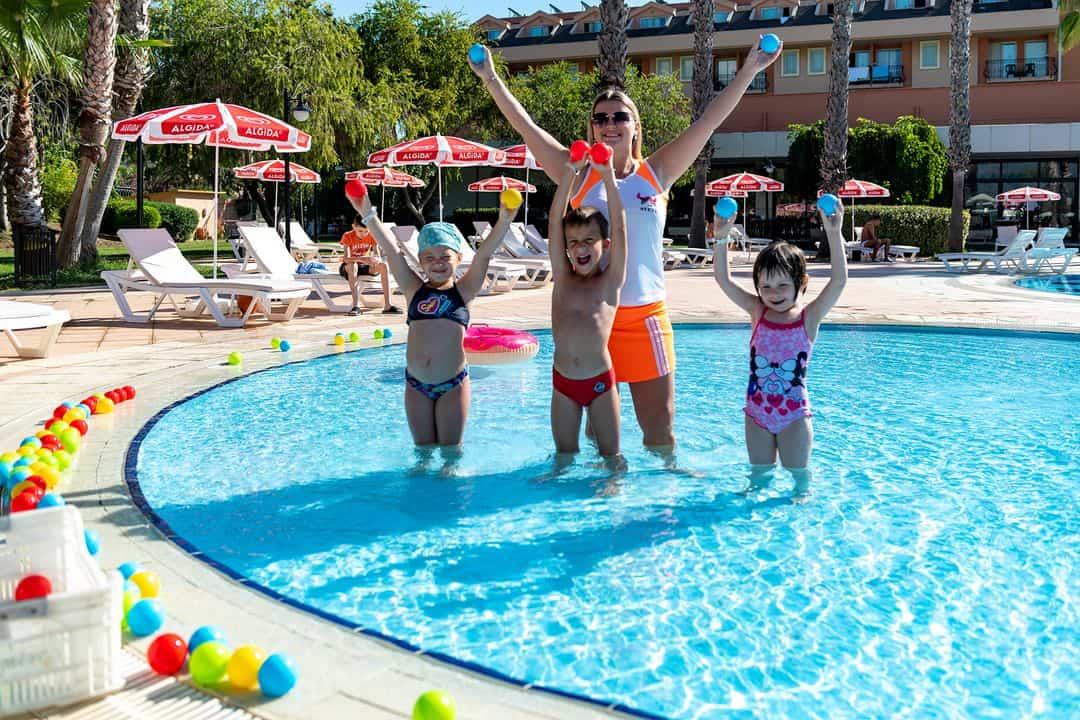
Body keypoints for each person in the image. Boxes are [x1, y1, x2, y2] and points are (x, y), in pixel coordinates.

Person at [470, 39, 781, 450]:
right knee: (598, 436)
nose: (610, 124)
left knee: (660, 432)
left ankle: (663, 484)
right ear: (592, 128)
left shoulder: (656, 172)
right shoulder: (576, 174)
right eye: (600, 118)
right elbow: (526, 127)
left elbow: (708, 122)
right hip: (593, 319)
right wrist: (491, 78)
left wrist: (750, 69)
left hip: (646, 317)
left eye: (620, 116)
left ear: (635, 126)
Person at [345, 191, 518, 446]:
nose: (437, 263)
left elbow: (483, 255)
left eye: (445, 257)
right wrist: (368, 214)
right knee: (422, 453)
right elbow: (392, 252)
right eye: (429, 258)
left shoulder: (463, 291)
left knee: (450, 454)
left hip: (453, 385)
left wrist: (504, 221)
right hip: (417, 386)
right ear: (420, 261)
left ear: (459, 258)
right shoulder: (414, 289)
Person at [712, 200, 848, 502]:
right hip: (757, 413)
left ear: (801, 283)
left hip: (794, 416)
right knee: (759, 475)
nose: (773, 294)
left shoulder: (809, 318)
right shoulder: (757, 311)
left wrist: (833, 232)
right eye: (766, 287)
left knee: (798, 478)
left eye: (783, 286)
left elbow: (839, 280)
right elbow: (723, 279)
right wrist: (721, 237)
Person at [547, 149, 627, 458]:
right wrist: (570, 169)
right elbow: (554, 220)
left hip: (600, 384)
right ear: (566, 248)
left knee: (611, 458)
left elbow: (619, 225)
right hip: (563, 383)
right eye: (573, 243)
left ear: (605, 245)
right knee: (564, 456)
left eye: (589, 241)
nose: (580, 248)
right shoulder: (562, 277)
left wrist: (608, 176)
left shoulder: (610, 281)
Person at [339, 214, 400, 315]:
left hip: (365, 266)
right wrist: (362, 259)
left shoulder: (371, 235)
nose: (363, 234)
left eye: (366, 231)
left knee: (383, 266)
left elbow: (377, 254)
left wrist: (375, 260)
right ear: (353, 226)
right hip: (349, 266)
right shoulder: (347, 236)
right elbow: (346, 259)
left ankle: (388, 305)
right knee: (353, 265)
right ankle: (355, 306)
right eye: (360, 231)